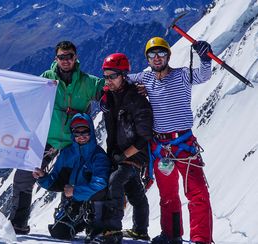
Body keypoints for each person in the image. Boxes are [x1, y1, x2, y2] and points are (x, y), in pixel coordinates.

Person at [10, 40, 104, 234]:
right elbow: (23, 90)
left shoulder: (88, 82)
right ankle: (18, 223)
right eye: (62, 57)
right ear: (56, 59)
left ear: (75, 57)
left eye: (69, 56)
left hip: (74, 142)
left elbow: (111, 87)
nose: (66, 60)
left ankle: (68, 220)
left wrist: (137, 86)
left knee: (72, 180)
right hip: (49, 139)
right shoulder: (46, 79)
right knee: (25, 175)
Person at [128, 37, 213, 244]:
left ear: (168, 55)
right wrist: (106, 86)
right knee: (167, 195)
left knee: (198, 193)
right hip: (161, 146)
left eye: (161, 54)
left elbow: (203, 75)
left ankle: (201, 239)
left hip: (183, 144)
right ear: (147, 58)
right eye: (152, 55)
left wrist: (205, 57)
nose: (156, 58)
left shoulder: (182, 74)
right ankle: (172, 235)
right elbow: (120, 79)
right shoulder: (145, 79)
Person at [89, 53, 153, 243]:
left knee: (116, 181)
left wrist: (124, 155)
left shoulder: (137, 100)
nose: (108, 80)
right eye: (106, 76)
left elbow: (144, 137)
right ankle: (141, 230)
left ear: (124, 75)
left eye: (112, 76)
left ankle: (113, 231)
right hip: (117, 153)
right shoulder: (109, 96)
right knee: (134, 190)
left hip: (135, 154)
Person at [32, 113, 110, 240]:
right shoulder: (66, 153)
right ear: (72, 134)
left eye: (85, 131)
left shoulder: (98, 156)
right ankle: (81, 223)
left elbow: (100, 183)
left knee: (96, 236)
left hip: (93, 201)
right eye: (77, 132)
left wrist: (75, 191)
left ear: (91, 131)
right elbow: (56, 180)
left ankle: (95, 223)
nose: (81, 136)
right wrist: (42, 177)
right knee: (60, 233)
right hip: (74, 202)